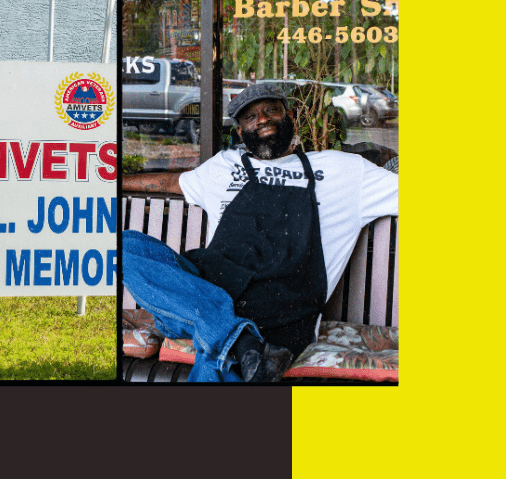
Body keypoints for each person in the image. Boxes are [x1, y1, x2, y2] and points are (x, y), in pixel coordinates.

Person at [122, 83, 398, 382]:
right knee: (125, 246)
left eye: (271, 110)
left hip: (280, 316)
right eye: (250, 116)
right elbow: (170, 184)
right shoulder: (223, 166)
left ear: (290, 116)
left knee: (219, 354)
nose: (262, 119)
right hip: (204, 292)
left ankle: (236, 339)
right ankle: (241, 339)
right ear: (240, 132)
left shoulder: (342, 169)